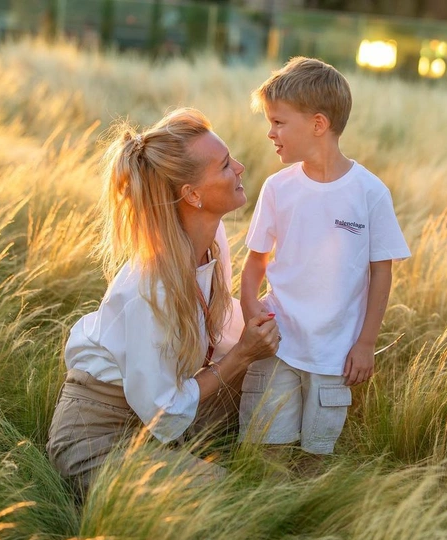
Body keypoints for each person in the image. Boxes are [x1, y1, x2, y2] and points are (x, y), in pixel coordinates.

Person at [46, 108, 280, 495]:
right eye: (224, 166)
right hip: (100, 434)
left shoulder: (212, 238)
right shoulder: (149, 287)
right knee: (225, 495)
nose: (239, 167)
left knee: (283, 384)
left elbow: (219, 326)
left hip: (160, 406)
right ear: (192, 195)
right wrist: (241, 356)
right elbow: (163, 413)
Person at [239, 57, 411, 456]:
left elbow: (381, 274)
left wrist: (366, 343)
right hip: (277, 346)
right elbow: (255, 263)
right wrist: (253, 316)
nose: (270, 133)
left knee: (315, 455)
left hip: (335, 354)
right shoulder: (278, 188)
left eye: (279, 122)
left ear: (318, 124)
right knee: (266, 453)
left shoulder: (369, 193)